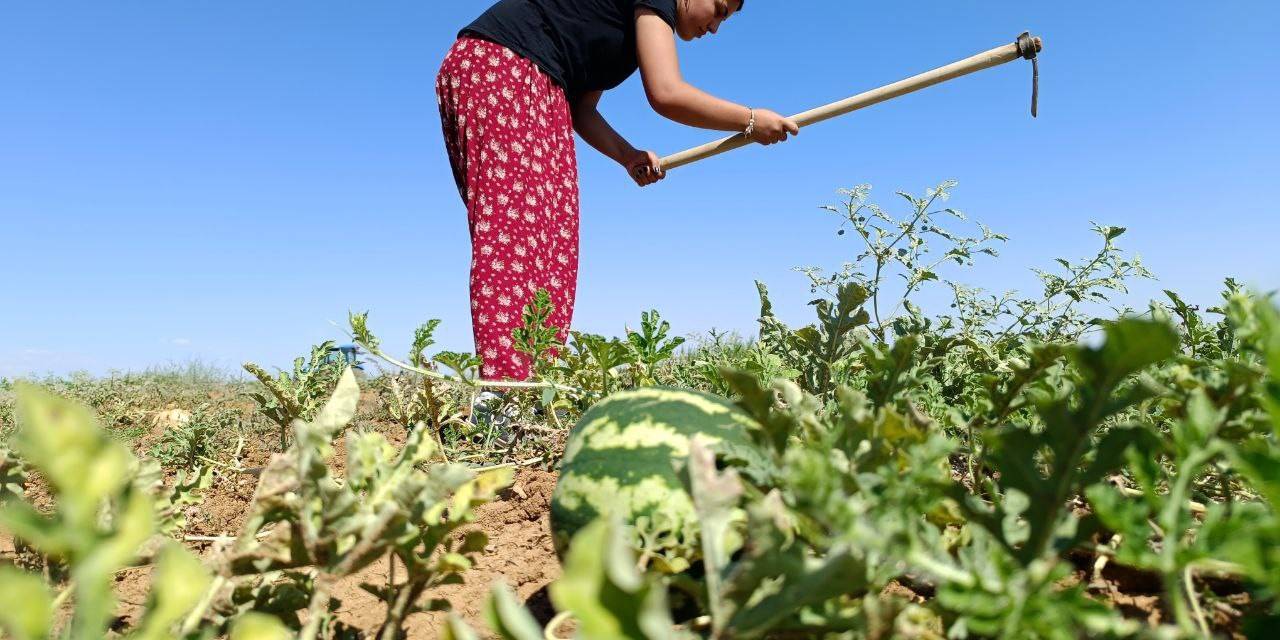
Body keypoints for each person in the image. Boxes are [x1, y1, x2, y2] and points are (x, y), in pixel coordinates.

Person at [437, 0, 798, 382]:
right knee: (516, 237)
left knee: (554, 242)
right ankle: (502, 389)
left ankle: (534, 385)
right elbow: (667, 92)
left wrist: (626, 155)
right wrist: (750, 120)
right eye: (720, 9)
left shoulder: (629, 34)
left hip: (540, 85)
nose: (715, 27)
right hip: (503, 67)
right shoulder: (655, 6)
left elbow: (582, 109)